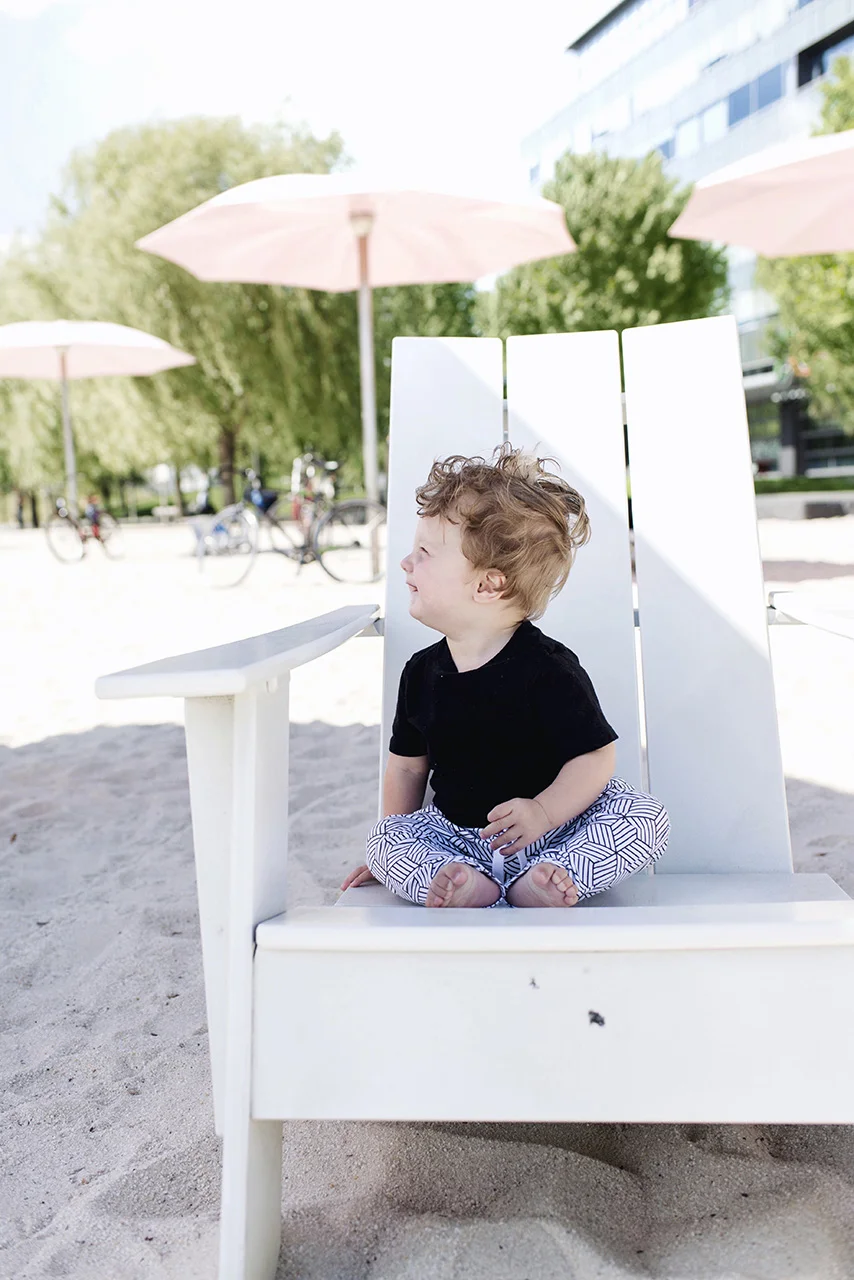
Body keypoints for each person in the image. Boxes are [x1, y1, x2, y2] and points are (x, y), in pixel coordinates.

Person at [341, 446, 670, 910]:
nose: (406, 563)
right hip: (454, 841)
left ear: (487, 585)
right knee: (384, 836)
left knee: (644, 815)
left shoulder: (548, 669)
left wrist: (543, 812)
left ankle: (548, 880)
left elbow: (595, 759)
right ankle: (460, 884)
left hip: (554, 832)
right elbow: (407, 767)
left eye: (424, 553)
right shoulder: (421, 673)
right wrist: (392, 853)